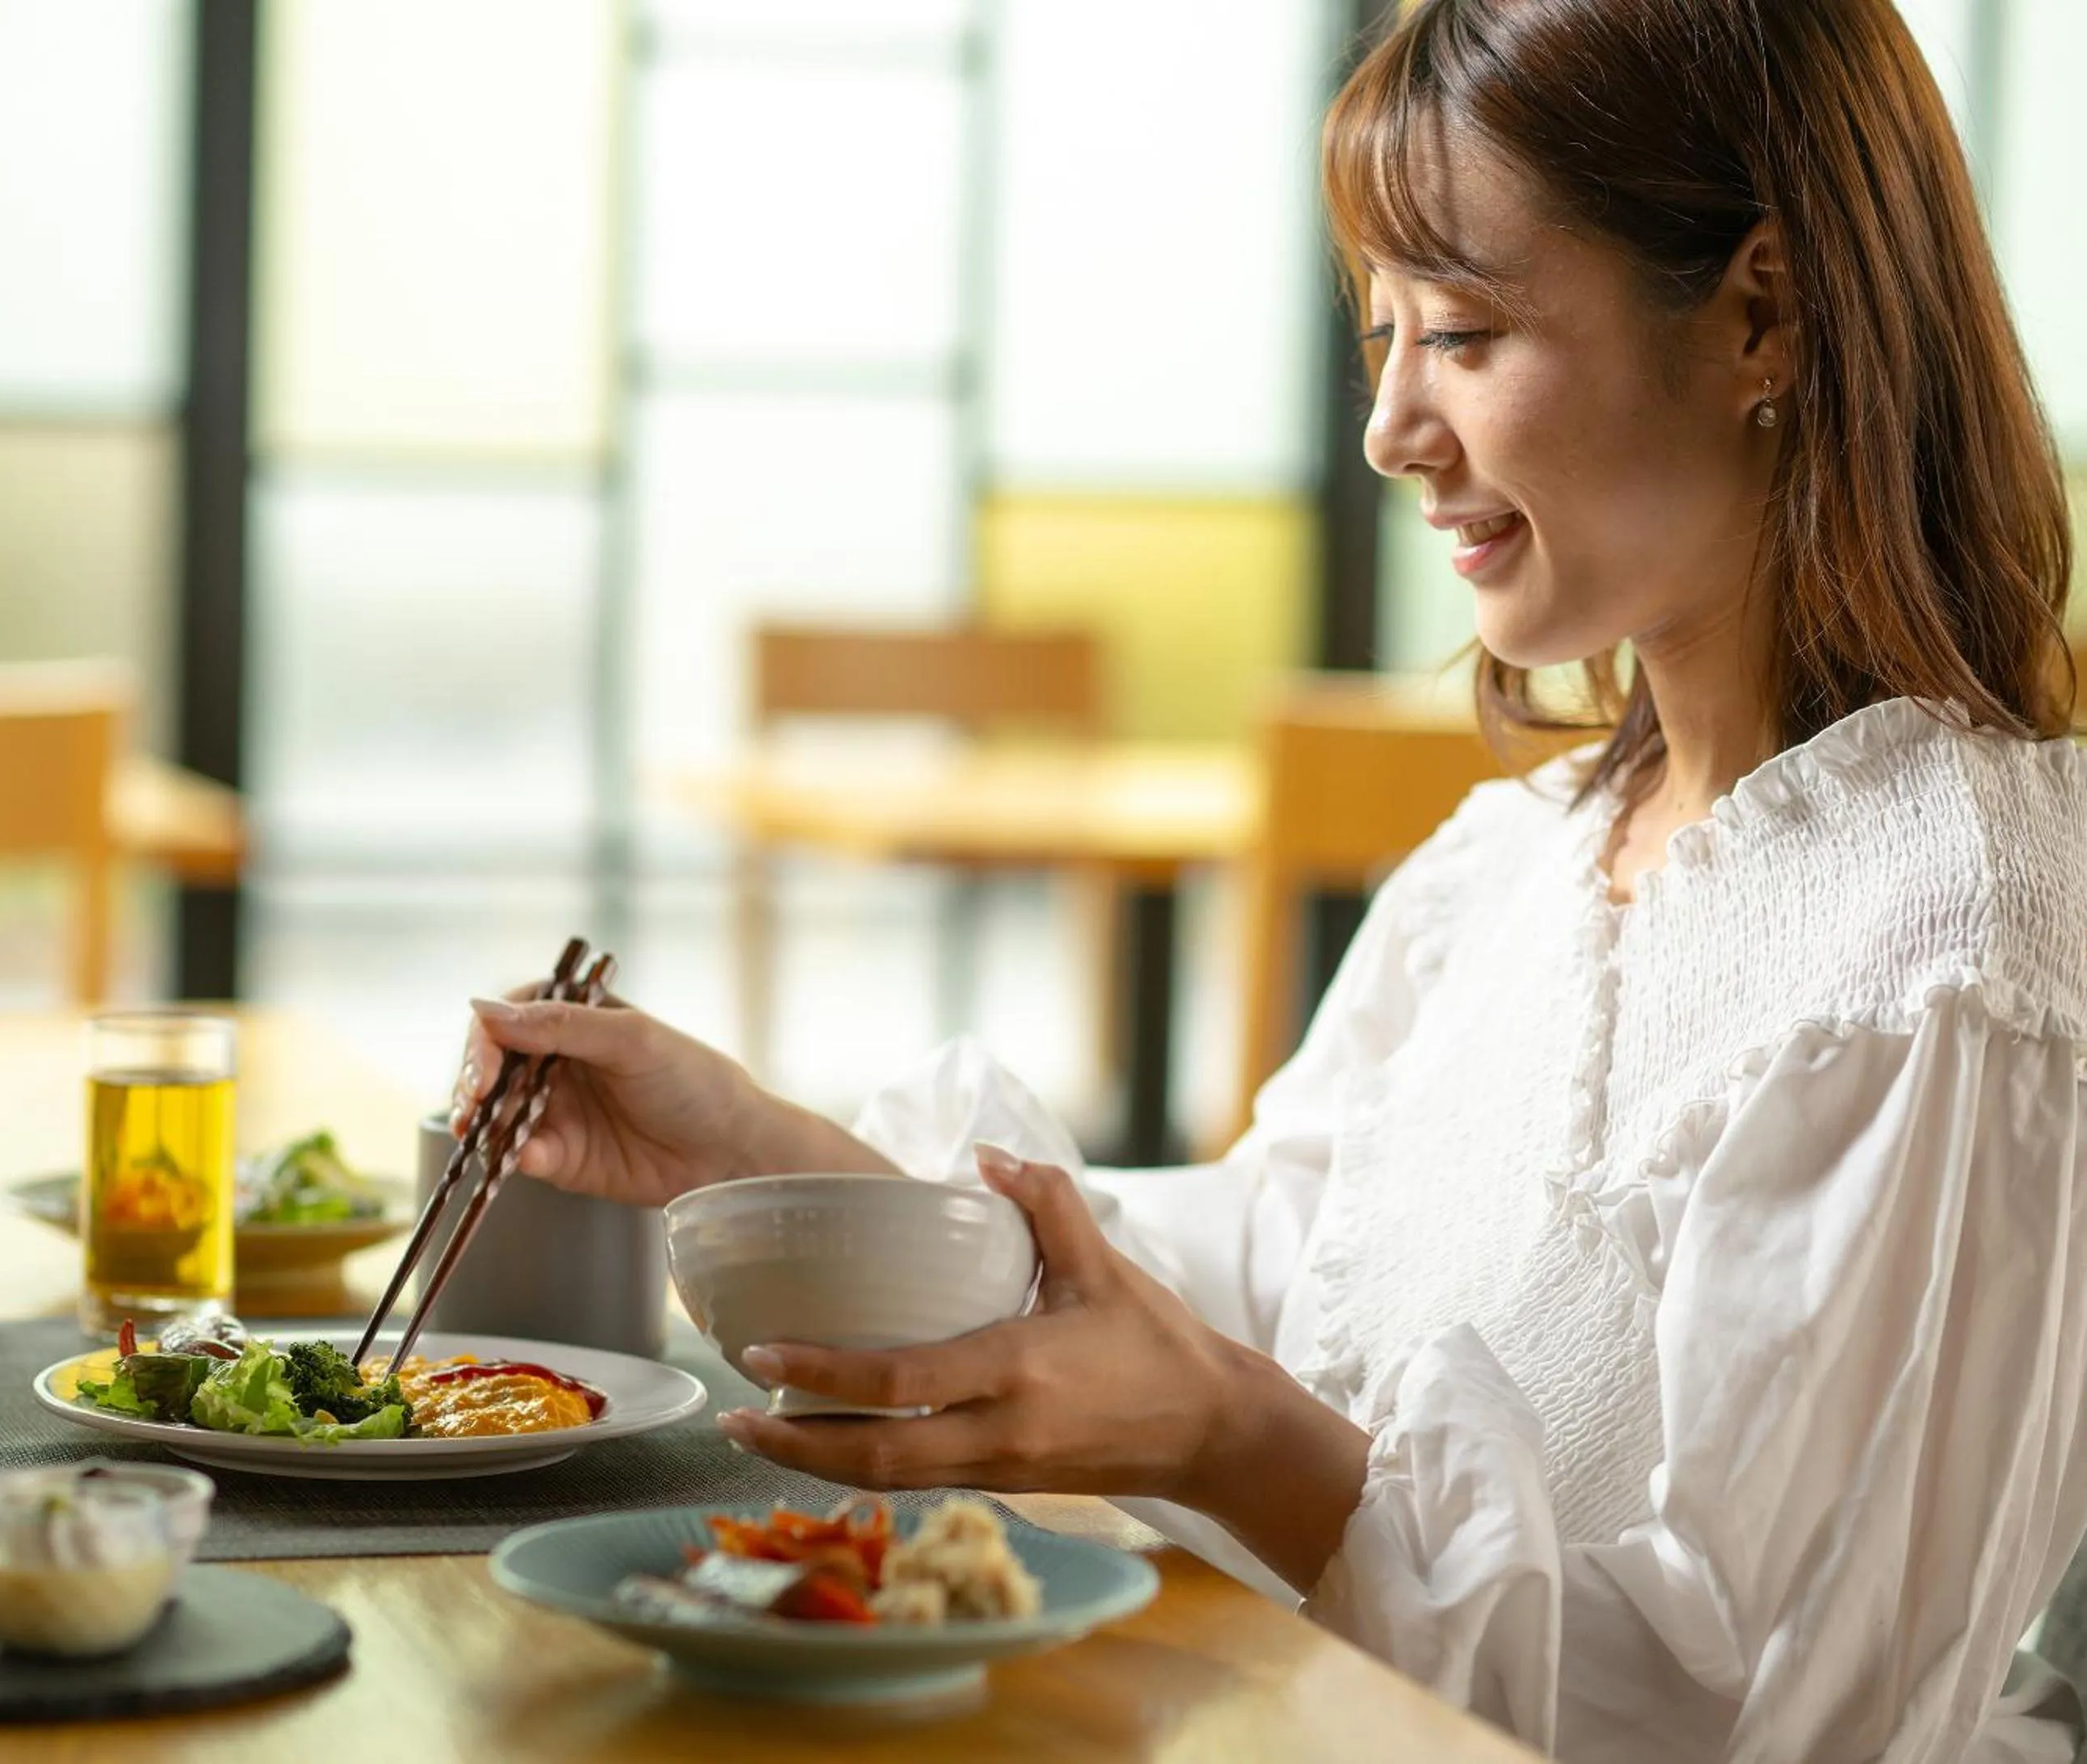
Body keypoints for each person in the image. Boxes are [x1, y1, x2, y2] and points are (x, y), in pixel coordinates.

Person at [455, 0, 2087, 1754]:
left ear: (1762, 312)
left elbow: (1787, 1720)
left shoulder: (1949, 948)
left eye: (1462, 331)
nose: (1391, 426)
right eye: (1382, 335)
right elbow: (1250, 1290)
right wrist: (761, 1145)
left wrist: (1226, 1439)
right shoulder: (1518, 867)